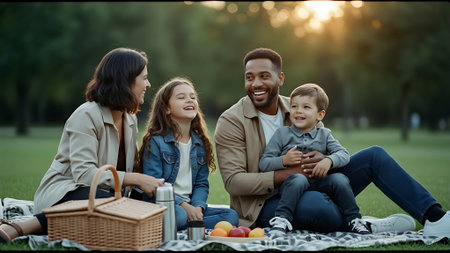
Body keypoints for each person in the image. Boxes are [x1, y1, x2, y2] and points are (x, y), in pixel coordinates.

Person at [214, 47, 449, 237]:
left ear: (280, 78)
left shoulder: (299, 105)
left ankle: (435, 217)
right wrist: (288, 173)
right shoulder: (231, 121)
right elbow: (234, 182)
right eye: (249, 77)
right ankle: (362, 224)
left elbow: (326, 144)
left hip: (321, 181)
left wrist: (326, 159)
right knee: (317, 205)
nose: (256, 84)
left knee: (374, 156)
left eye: (264, 76)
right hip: (267, 203)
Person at [0, 47, 164, 243]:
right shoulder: (86, 115)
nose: (148, 84)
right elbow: (84, 174)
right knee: (114, 205)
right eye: (144, 78)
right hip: (65, 192)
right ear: (125, 80)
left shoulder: (130, 119)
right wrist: (136, 178)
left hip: (108, 197)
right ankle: (19, 227)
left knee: (145, 209)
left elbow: (126, 169)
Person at [259, 83, 370, 234]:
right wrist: (284, 160)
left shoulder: (324, 134)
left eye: (306, 107)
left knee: (340, 179)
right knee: (298, 179)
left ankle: (354, 220)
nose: (298, 111)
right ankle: (282, 219)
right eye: (294, 106)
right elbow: (264, 163)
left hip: (320, 182)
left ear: (320, 115)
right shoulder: (282, 134)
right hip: (292, 185)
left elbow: (344, 154)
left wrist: (328, 160)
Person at [134, 77, 239, 230]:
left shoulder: (199, 143)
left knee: (231, 216)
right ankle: (189, 225)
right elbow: (155, 186)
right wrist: (185, 207)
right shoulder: (156, 142)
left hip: (190, 206)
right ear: (166, 108)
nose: (189, 100)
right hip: (162, 205)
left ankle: (185, 225)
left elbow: (201, 184)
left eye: (193, 97)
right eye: (181, 97)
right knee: (180, 215)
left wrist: (197, 208)